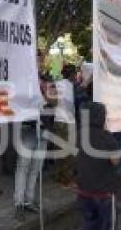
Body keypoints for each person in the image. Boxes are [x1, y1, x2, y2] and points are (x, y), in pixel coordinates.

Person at [75, 101, 121, 230]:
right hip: (104, 192)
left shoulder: (80, 134)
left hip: (84, 190)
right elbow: (115, 161)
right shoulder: (107, 138)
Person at [13, 49, 56, 219]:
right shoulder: (22, 80)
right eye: (35, 60)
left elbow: (55, 101)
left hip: (44, 129)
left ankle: (29, 200)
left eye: (40, 60)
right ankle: (19, 203)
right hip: (27, 128)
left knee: (35, 168)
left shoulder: (47, 79)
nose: (38, 63)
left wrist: (45, 92)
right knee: (23, 166)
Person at [52, 64, 78, 187]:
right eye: (75, 73)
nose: (76, 76)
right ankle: (67, 180)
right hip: (67, 122)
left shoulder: (58, 83)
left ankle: (58, 176)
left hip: (58, 120)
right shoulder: (67, 85)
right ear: (71, 74)